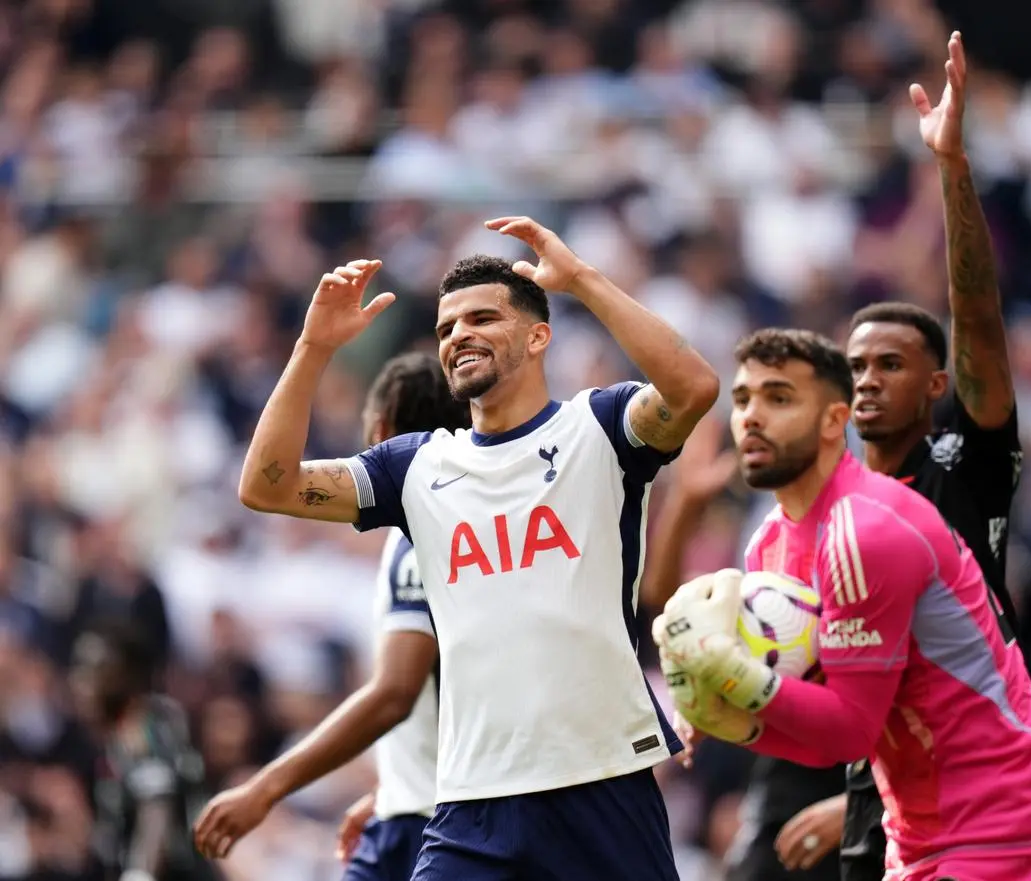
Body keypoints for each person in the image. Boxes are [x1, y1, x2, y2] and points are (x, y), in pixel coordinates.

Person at [233, 215, 721, 880]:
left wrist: (578, 278)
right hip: (472, 800)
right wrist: (312, 348)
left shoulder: (599, 427)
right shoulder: (416, 467)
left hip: (602, 774)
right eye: (445, 328)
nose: (459, 334)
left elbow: (693, 387)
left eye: (482, 318)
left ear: (537, 333)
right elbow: (266, 486)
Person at [655, 328, 1031, 881]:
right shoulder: (770, 544)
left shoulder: (865, 529)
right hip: (920, 840)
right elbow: (830, 743)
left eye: (779, 397)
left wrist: (741, 678)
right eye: (743, 400)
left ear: (836, 421)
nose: (752, 417)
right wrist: (735, 719)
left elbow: (851, 729)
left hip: (1007, 830)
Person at [787, 31, 1025, 879]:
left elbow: (981, 318)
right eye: (857, 368)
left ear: (936, 385)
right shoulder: (827, 507)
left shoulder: (966, 458)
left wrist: (950, 168)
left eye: (893, 364)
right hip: (878, 788)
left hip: (982, 784)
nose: (871, 380)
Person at [192, 351, 471, 880]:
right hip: (423, 809)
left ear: (381, 428)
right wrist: (390, 788)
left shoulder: (418, 541)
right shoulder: (460, 528)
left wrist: (265, 788)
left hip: (431, 825)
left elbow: (395, 693)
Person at [641, 418, 847, 881]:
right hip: (783, 780)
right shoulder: (767, 541)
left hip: (864, 796)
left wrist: (862, 804)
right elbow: (672, 607)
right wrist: (689, 500)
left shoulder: (873, 542)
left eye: (778, 401)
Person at [70, 621, 215, 881]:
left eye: (98, 670)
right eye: (79, 668)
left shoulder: (147, 730)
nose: (82, 681)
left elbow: (156, 810)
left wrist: (140, 874)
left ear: (129, 676)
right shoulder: (112, 736)